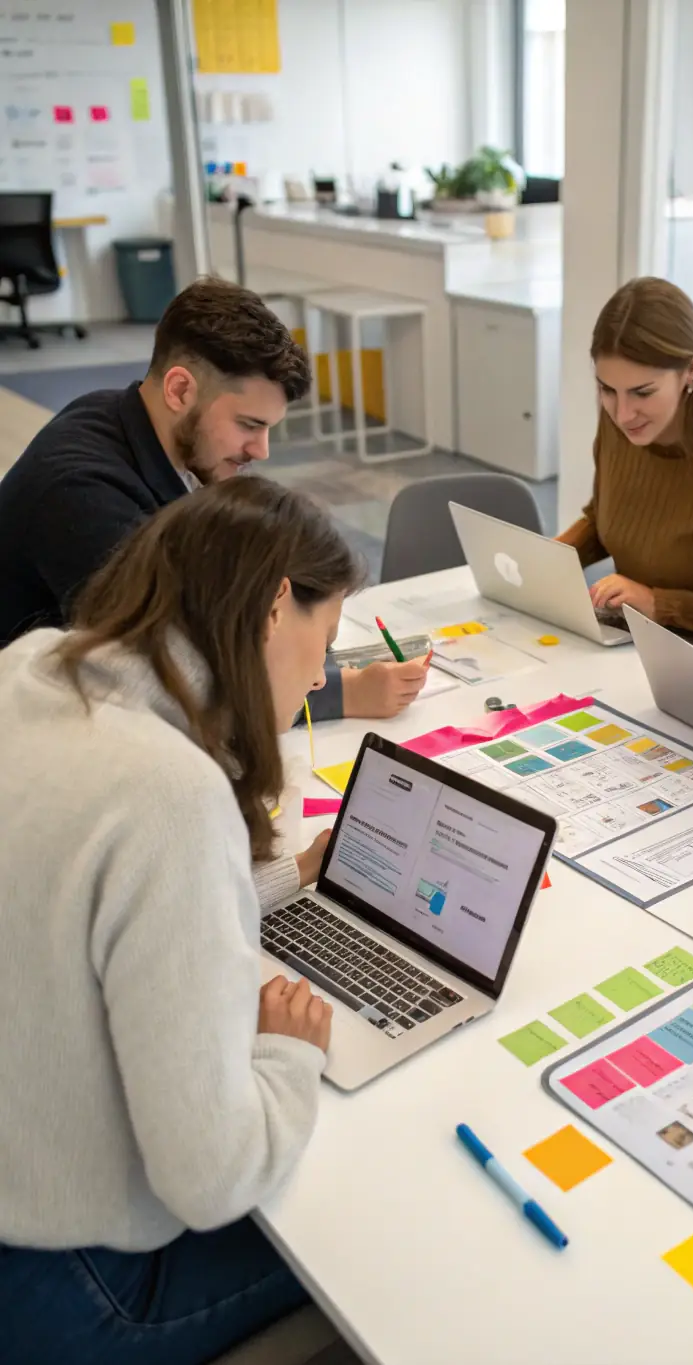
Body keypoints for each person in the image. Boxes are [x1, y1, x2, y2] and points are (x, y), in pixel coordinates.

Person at [0, 477, 363, 1365]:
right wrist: (289, 1052)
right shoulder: (172, 794)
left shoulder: (35, 666)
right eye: (326, 640)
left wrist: (277, 876)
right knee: (383, 1215)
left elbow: (92, 889)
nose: (321, 675)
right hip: (78, 1285)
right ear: (278, 606)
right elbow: (211, 1177)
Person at [0, 275, 428, 720]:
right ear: (180, 390)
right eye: (248, 425)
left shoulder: (128, 420)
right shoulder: (83, 494)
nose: (261, 451)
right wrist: (341, 694)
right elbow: (176, 673)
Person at [557, 277, 693, 638]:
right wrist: (548, 559)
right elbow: (608, 517)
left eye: (642, 392)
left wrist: (659, 603)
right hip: (633, 640)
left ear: (691, 370)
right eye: (607, 390)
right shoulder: (621, 425)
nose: (624, 413)